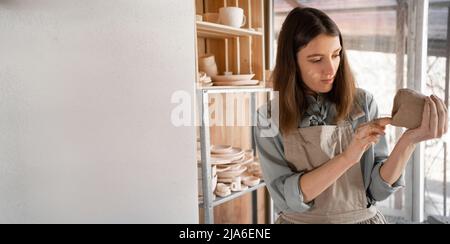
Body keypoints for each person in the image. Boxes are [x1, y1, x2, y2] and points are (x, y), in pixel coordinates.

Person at [254, 7, 448, 224]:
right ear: (292, 62)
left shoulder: (363, 104)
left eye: (336, 55)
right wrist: (348, 157)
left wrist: (409, 140)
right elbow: (286, 197)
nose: (330, 69)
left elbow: (377, 191)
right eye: (316, 59)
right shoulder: (268, 117)